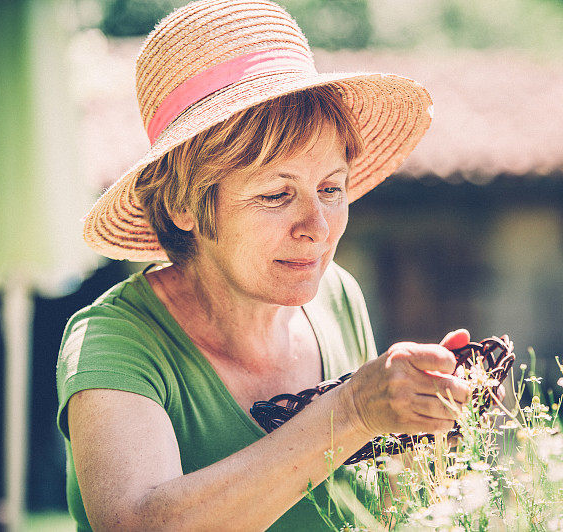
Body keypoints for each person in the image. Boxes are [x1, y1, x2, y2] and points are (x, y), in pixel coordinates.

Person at [56, 0, 474, 530]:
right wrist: (350, 411)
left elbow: (376, 507)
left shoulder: (337, 296)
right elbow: (136, 523)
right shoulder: (114, 341)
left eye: (331, 189)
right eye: (277, 194)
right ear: (183, 203)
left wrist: (432, 433)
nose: (318, 228)